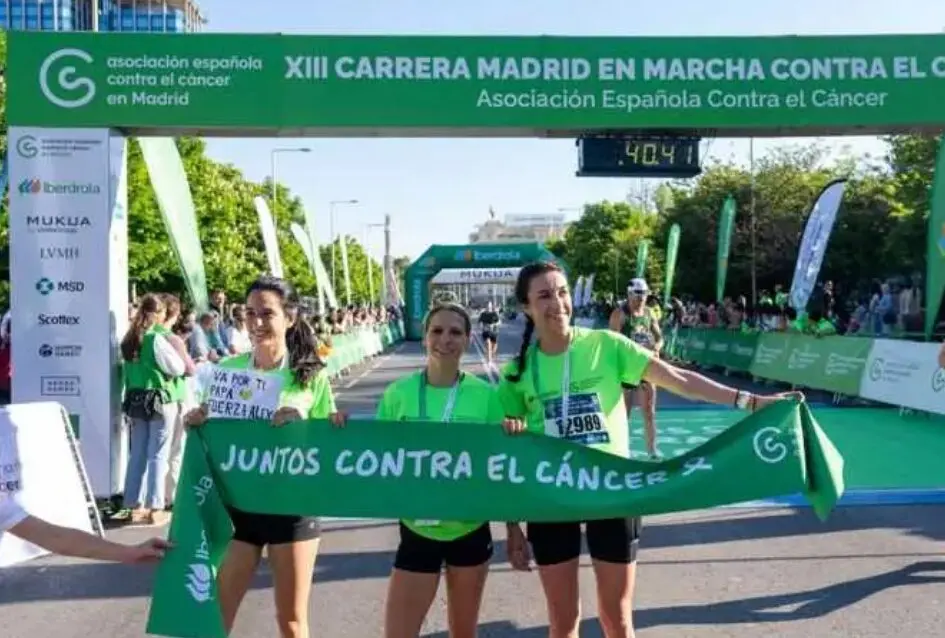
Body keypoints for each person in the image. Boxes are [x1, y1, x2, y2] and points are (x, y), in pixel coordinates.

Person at [499, 261, 799, 638]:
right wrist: (512, 526)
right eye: (543, 295)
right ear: (526, 306)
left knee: (617, 619)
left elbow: (677, 378)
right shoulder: (516, 373)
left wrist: (750, 401)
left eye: (561, 292)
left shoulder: (605, 345)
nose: (556, 303)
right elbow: (504, 454)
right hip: (552, 499)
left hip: (614, 493)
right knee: (563, 622)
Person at [184, 276, 344, 638]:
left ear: (289, 317)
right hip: (239, 508)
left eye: (266, 314)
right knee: (215, 616)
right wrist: (197, 423)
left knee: (290, 621)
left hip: (293, 508)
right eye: (250, 313)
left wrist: (307, 426)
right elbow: (212, 434)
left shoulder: (310, 375)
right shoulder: (228, 370)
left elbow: (328, 443)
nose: (256, 322)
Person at [346, 302, 504, 638]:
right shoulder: (398, 395)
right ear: (424, 337)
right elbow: (377, 457)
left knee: (463, 633)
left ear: (467, 339)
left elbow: (501, 466)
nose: (445, 339)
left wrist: (515, 527)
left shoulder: (487, 397)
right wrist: (340, 433)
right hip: (418, 531)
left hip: (469, 530)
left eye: (455, 332)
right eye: (437, 331)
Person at [120, 294, 187, 526]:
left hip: (135, 399)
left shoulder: (128, 339)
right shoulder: (156, 338)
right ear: (158, 314)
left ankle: (132, 504)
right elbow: (178, 368)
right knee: (158, 453)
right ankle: (154, 505)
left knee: (137, 452)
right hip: (159, 399)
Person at [608, 279, 663, 458]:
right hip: (627, 368)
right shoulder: (620, 314)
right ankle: (619, 449)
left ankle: (652, 450)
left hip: (646, 366)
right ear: (629, 294)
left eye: (645, 294)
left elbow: (660, 338)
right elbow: (612, 342)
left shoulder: (649, 313)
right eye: (638, 294)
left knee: (649, 410)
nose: (641, 298)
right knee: (624, 412)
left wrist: (656, 348)